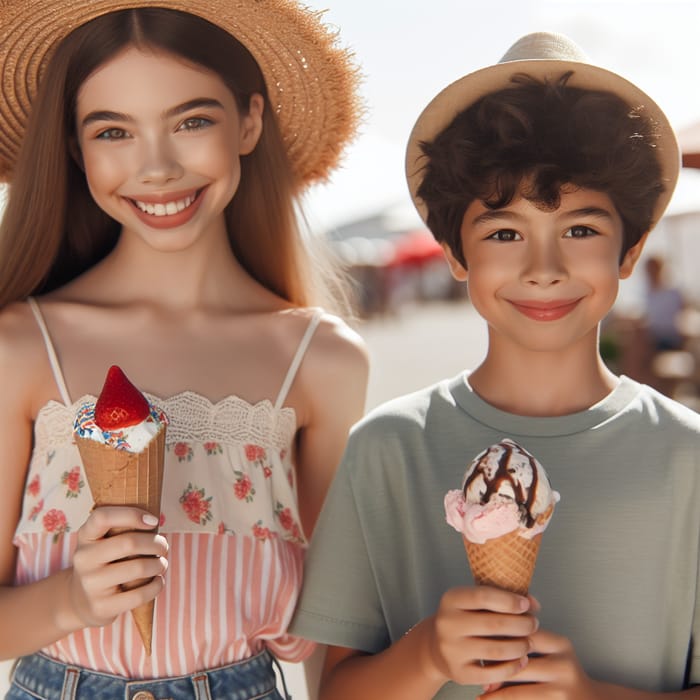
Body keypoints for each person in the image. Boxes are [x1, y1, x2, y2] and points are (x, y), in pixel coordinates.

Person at [291, 31, 700, 700]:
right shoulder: (387, 450)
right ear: (457, 254)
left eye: (581, 229)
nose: (544, 269)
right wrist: (425, 654)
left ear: (630, 250)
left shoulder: (689, 458)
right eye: (505, 233)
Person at [0, 1, 368, 698]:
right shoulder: (22, 345)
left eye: (192, 121)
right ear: (78, 151)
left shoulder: (321, 361)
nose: (158, 166)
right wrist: (69, 602)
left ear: (250, 121)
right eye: (114, 131)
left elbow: (335, 641)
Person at [644, 255, 686, 351]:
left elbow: (684, 316)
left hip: (670, 337)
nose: (650, 273)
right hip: (653, 337)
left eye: (653, 269)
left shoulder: (674, 293)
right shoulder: (648, 294)